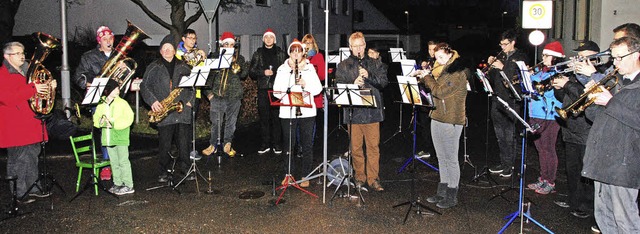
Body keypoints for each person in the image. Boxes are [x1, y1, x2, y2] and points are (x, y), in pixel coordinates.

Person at [582, 36, 640, 233]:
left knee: (625, 221)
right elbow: (597, 118)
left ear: (636, 56)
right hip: (603, 160)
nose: (615, 63)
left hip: (625, 165)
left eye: (619, 58)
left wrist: (610, 102)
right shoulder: (616, 81)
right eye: (613, 58)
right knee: (604, 217)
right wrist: (591, 100)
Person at [551, 40, 603, 219]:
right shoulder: (575, 75)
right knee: (571, 168)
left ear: (595, 58)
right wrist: (559, 88)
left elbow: (584, 96)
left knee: (585, 171)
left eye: (583, 57)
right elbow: (565, 97)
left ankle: (586, 205)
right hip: (570, 127)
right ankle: (574, 199)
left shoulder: (598, 76)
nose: (579, 60)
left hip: (585, 129)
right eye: (578, 57)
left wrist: (567, 85)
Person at [0, 42, 55, 202]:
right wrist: (33, 88)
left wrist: (49, 86)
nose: (22, 55)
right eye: (17, 53)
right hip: (15, 126)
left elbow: (37, 92)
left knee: (32, 157)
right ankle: (19, 193)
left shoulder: (28, 71)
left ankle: (34, 188)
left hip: (31, 122)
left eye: (22, 52)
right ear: (7, 56)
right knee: (18, 160)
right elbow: (6, 98)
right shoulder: (2, 74)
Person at [335, 32, 388, 192]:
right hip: (354, 112)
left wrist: (369, 76)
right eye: (355, 46)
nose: (358, 48)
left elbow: (383, 83)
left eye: (361, 45)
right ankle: (359, 177)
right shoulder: (343, 65)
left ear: (365, 45)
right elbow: (339, 84)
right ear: (350, 47)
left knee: (373, 147)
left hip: (372, 112)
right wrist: (353, 83)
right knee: (356, 148)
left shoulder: (375, 63)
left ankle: (373, 179)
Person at [140, 35, 194, 182]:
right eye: (165, 48)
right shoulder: (153, 67)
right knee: (164, 144)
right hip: (164, 111)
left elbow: (193, 86)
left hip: (182, 110)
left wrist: (190, 101)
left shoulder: (184, 66)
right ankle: (163, 171)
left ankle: (186, 170)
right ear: (161, 51)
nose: (167, 51)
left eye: (170, 48)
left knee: (184, 144)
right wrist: (153, 101)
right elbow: (144, 86)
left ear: (174, 50)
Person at [421, 42, 468, 209]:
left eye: (441, 57)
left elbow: (440, 92)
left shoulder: (457, 73)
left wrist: (427, 77)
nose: (438, 61)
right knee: (441, 157)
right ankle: (442, 191)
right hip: (437, 116)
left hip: (451, 120)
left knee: (451, 159)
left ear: (450, 55)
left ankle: (452, 195)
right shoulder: (443, 70)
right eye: (436, 57)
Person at [273, 39, 322, 188]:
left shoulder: (309, 68)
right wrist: (289, 84)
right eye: (293, 51)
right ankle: (288, 174)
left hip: (307, 111)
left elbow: (318, 89)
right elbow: (276, 91)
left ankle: (306, 174)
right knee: (289, 145)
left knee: (306, 144)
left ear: (302, 53)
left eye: (299, 51)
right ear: (290, 53)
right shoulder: (282, 68)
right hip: (288, 112)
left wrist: (305, 84)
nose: (296, 54)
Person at [72, 26, 115, 178]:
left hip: (116, 98)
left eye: (110, 38)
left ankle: (117, 162)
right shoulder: (88, 56)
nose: (108, 41)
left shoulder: (119, 55)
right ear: (99, 41)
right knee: (105, 131)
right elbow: (77, 76)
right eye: (105, 39)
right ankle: (106, 164)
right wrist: (87, 84)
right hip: (98, 99)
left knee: (118, 131)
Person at [487, 29, 528, 178]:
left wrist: (502, 67)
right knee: (499, 134)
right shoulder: (502, 56)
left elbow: (517, 79)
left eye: (505, 44)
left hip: (512, 100)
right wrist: (491, 67)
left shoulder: (520, 57)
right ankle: (503, 162)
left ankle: (510, 165)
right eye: (501, 44)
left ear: (513, 43)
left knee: (509, 135)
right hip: (497, 98)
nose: (502, 47)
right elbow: (493, 79)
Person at [201, 32, 249, 157]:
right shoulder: (214, 57)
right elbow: (205, 78)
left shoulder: (240, 58)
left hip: (234, 96)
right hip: (217, 95)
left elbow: (243, 74)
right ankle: (213, 145)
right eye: (226, 44)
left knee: (231, 123)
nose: (229, 46)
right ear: (221, 44)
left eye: (232, 44)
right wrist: (209, 94)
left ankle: (228, 144)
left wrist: (235, 61)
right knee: (216, 122)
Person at [525, 41, 564, 195]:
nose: (543, 58)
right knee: (540, 149)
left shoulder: (557, 74)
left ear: (555, 57)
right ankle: (542, 177)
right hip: (534, 113)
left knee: (548, 148)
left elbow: (549, 92)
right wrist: (526, 77)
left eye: (547, 55)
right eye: (543, 55)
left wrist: (533, 81)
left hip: (550, 115)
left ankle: (550, 181)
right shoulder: (540, 72)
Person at [93, 79, 134, 195]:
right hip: (109, 137)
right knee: (114, 162)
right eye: (115, 88)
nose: (118, 90)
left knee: (123, 161)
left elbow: (129, 118)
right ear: (108, 90)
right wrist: (100, 122)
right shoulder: (102, 104)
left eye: (118, 88)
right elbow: (96, 119)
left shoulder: (122, 103)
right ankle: (118, 182)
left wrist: (114, 123)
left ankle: (128, 184)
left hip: (120, 137)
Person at [250, 28, 287, 155]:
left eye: (271, 37)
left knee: (277, 118)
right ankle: (265, 143)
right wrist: (263, 72)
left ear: (274, 39)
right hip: (263, 89)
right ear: (263, 39)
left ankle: (277, 144)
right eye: (266, 37)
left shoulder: (281, 53)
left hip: (277, 89)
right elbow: (252, 71)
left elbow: (286, 70)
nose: (269, 39)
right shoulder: (258, 53)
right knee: (264, 118)